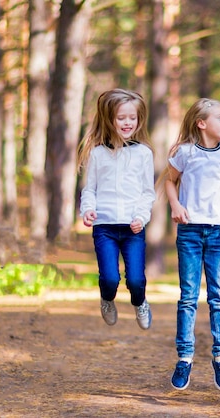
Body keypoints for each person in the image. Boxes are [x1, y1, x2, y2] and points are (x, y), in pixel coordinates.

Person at [160, 98, 220, 393]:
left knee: (218, 297)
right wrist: (175, 205)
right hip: (190, 233)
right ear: (201, 123)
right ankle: (184, 358)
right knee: (188, 297)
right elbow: (170, 182)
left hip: (219, 233)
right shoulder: (185, 153)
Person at [78, 88, 156, 331]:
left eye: (132, 118)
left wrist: (141, 217)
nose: (127, 123)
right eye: (121, 118)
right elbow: (89, 189)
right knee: (110, 278)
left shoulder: (144, 153)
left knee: (135, 280)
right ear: (109, 119)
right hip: (105, 227)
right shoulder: (97, 153)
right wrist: (88, 209)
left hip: (133, 227)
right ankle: (107, 298)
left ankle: (140, 302)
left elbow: (147, 192)